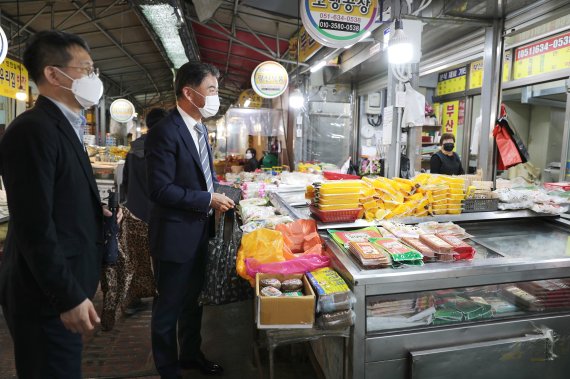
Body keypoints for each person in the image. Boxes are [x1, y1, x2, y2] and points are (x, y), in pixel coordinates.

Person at [0, 30, 117, 378]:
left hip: (63, 283)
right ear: (53, 74)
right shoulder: (33, 129)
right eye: (86, 69)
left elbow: (58, 197)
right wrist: (66, 296)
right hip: (43, 295)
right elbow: (34, 224)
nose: (93, 79)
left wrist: (97, 213)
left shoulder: (63, 125)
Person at [145, 61, 235, 379]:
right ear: (189, 91)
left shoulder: (199, 128)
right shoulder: (164, 132)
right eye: (211, 89)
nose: (216, 96)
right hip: (174, 235)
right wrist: (207, 199)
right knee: (168, 306)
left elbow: (201, 177)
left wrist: (218, 194)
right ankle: (168, 369)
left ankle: (190, 355)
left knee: (193, 300)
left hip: (199, 229)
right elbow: (160, 190)